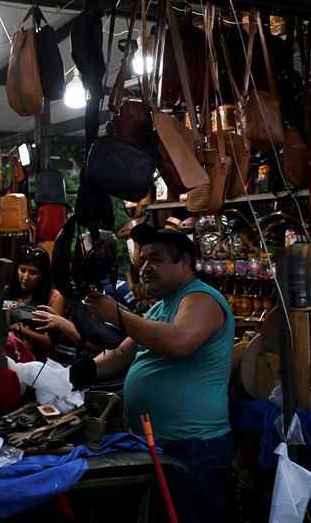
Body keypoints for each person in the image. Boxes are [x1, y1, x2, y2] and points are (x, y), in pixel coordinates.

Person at [73, 223, 234, 523]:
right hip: (157, 444)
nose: (145, 267)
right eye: (143, 259)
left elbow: (180, 342)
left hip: (193, 448)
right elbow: (122, 354)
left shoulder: (201, 299)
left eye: (156, 259)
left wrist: (119, 315)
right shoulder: (162, 306)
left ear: (184, 261)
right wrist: (84, 370)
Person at [31, 230, 137, 366]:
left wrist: (63, 325)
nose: (77, 261)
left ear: (99, 256)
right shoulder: (88, 286)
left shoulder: (114, 291)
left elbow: (107, 347)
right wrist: (57, 322)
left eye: (82, 254)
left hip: (96, 384)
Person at [2, 245, 65, 362]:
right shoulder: (8, 290)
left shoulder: (55, 298)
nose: (26, 277)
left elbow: (51, 341)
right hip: (8, 357)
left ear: (43, 275)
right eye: (22, 270)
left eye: (33, 272)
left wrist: (20, 329)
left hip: (38, 364)